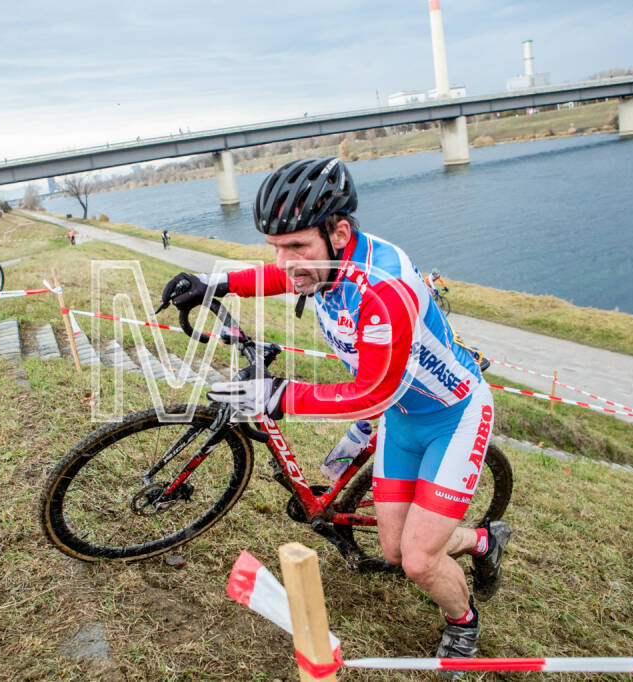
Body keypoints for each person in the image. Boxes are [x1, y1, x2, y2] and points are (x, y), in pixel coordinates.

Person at [160, 157, 510, 665]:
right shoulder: (323, 265)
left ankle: (464, 625)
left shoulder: (383, 290)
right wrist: (221, 283)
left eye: (297, 246)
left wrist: (282, 396)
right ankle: (482, 541)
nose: (285, 260)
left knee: (416, 561)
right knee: (392, 550)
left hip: (452, 417)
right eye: (276, 247)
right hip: (402, 421)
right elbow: (287, 278)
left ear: (339, 232)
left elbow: (372, 394)